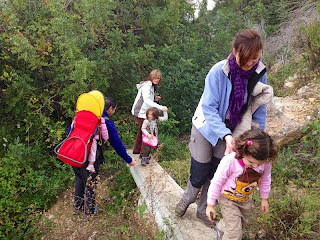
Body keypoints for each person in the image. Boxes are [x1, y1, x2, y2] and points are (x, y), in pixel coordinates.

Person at [175, 29, 270, 227]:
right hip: (206, 127)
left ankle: (203, 210)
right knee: (200, 171)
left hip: (233, 130)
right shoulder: (219, 71)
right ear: (234, 51)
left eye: (255, 57)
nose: (250, 62)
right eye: (246, 58)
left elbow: (259, 108)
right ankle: (187, 200)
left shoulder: (260, 74)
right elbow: (208, 108)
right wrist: (225, 135)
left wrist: (258, 134)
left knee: (216, 172)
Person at [206, 128, 278, 239]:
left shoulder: (265, 162)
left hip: (245, 200)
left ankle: (221, 227)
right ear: (243, 152)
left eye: (258, 164)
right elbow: (216, 182)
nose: (255, 166)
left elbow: (265, 179)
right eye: (251, 162)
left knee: (241, 225)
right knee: (235, 234)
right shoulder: (230, 162)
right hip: (227, 199)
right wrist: (210, 204)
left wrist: (264, 198)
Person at [72, 97, 137, 217]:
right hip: (90, 158)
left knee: (79, 179)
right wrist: (129, 159)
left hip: (74, 153)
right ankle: (89, 213)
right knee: (90, 183)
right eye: (115, 110)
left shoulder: (84, 115)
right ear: (111, 108)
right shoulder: (105, 121)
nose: (114, 112)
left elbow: (69, 132)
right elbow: (117, 144)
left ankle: (77, 208)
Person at [131, 69, 168, 157]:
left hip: (145, 112)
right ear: (151, 77)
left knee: (142, 130)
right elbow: (146, 100)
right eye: (155, 78)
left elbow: (149, 99)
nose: (157, 80)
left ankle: (137, 150)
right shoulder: (146, 86)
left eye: (158, 79)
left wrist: (156, 99)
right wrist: (160, 107)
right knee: (147, 132)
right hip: (140, 112)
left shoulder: (152, 86)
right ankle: (144, 154)